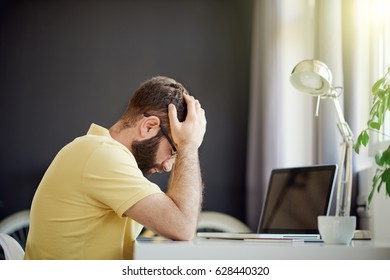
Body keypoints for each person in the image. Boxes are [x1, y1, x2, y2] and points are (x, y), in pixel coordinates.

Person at [24, 76, 207, 259]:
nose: (168, 166)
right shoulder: (103, 155)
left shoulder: (102, 153)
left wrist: (183, 146)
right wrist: (188, 145)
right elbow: (182, 226)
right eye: (173, 150)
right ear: (149, 127)